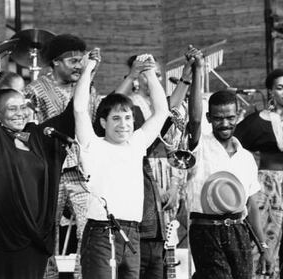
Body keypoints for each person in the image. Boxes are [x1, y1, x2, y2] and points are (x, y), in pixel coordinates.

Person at [0, 38, 79, 279]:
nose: (20, 113)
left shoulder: (39, 137)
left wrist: (86, 74)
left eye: (23, 107)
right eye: (11, 108)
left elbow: (73, 114)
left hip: (34, 241)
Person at [75, 53, 169, 278]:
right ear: (103, 123)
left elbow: (162, 111)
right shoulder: (92, 144)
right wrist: (88, 69)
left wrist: (149, 73)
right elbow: (79, 109)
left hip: (133, 232)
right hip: (101, 231)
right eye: (116, 119)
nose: (123, 124)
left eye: (127, 118)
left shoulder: (136, 143)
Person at [185, 52, 273, 279]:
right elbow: (193, 120)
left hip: (238, 230)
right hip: (206, 230)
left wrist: (263, 247)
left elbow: (252, 206)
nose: (225, 123)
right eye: (218, 118)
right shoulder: (199, 145)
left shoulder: (245, 158)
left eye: (230, 118)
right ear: (209, 117)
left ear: (237, 117)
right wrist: (197, 70)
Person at [114, 49, 199, 278]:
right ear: (135, 77)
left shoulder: (163, 104)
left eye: (158, 75)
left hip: (167, 169)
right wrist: (154, 188)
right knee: (144, 238)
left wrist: (173, 184)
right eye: (147, 73)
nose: (154, 78)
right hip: (142, 172)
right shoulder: (129, 106)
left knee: (166, 239)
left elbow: (172, 106)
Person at [23, 34, 101, 278]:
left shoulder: (88, 87)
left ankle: (83, 275)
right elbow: (26, 132)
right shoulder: (35, 89)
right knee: (46, 230)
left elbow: (97, 122)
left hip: (82, 170)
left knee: (90, 228)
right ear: (56, 62)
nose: (79, 66)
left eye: (82, 61)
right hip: (48, 169)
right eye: (74, 61)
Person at [235, 68, 283, 278]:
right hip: (268, 186)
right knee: (266, 240)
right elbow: (233, 147)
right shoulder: (256, 122)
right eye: (280, 88)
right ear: (271, 91)